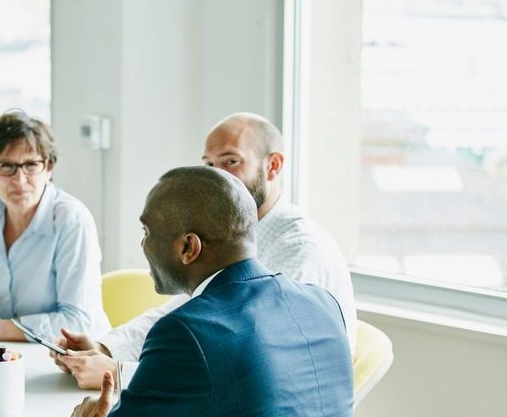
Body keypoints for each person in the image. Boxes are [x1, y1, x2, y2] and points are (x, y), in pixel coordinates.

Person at [55, 112, 356, 389]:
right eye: (209, 165)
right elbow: (184, 309)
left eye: (231, 162)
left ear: (273, 165)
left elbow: (239, 362)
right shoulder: (228, 236)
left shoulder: (300, 249)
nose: (217, 177)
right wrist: (106, 348)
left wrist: (118, 373)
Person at [57, 166, 353, 417]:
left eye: (147, 233)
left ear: (188, 248)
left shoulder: (188, 333)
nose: (143, 245)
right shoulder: (323, 304)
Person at [0, 110, 110, 342]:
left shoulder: (71, 220)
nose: (19, 180)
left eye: (31, 165)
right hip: (13, 354)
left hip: (77, 358)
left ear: (49, 167)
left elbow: (77, 321)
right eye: (7, 166)